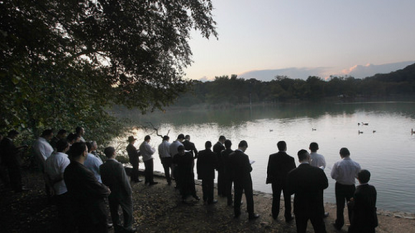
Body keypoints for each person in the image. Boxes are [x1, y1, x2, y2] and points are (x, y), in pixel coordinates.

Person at [64, 142, 110, 233]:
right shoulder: (83, 171)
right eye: (86, 150)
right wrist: (107, 190)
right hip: (92, 212)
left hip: (78, 209)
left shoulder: (68, 169)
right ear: (84, 153)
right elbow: (100, 189)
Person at [287, 149, 328, 233]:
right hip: (315, 205)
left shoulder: (292, 173)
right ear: (309, 158)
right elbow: (325, 185)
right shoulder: (318, 171)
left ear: (299, 160)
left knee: (301, 229)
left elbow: (289, 191)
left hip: (300, 206)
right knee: (319, 228)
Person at [100, 147, 136, 233]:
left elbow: (103, 180)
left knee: (114, 210)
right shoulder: (118, 165)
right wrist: (129, 191)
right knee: (128, 209)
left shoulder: (102, 166)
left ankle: (117, 228)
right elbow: (124, 180)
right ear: (114, 153)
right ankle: (127, 227)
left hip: (111, 192)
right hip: (122, 192)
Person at [44, 139, 74, 233]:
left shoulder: (49, 159)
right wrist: (53, 182)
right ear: (66, 148)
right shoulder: (64, 159)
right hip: (64, 188)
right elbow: (63, 175)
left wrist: (50, 186)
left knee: (60, 210)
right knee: (68, 211)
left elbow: (46, 175)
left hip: (56, 189)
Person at [331, 147, 361, 231]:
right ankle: (352, 224)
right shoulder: (356, 164)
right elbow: (358, 176)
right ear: (349, 154)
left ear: (341, 154)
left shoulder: (338, 163)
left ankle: (339, 224)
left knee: (340, 206)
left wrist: (340, 177)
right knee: (351, 206)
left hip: (340, 186)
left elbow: (333, 175)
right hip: (351, 186)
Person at [228, 140, 259, 220]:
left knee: (237, 195)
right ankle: (250, 214)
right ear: (244, 146)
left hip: (236, 178)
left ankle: (237, 213)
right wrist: (250, 166)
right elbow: (248, 169)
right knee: (249, 196)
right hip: (245, 179)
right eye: (245, 148)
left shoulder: (231, 155)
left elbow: (230, 168)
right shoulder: (245, 156)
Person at [266, 141, 296, 222]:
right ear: (285, 147)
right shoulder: (290, 158)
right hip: (286, 182)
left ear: (278, 147)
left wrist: (269, 179)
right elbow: (293, 172)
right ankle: (288, 216)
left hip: (276, 181)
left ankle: (275, 214)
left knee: (276, 198)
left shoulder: (272, 157)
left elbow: (269, 169)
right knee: (287, 199)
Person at [309, 142, 329, 218]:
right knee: (320, 196)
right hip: (318, 178)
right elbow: (323, 166)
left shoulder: (307, 157)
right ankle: (321, 213)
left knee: (309, 196)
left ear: (309, 148)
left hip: (309, 178)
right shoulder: (321, 157)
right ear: (317, 148)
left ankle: (310, 212)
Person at [221, 139, 234, 206]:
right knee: (235, 186)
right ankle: (235, 200)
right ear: (231, 145)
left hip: (226, 171)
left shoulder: (222, 153)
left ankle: (229, 201)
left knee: (228, 187)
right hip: (232, 171)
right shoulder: (233, 153)